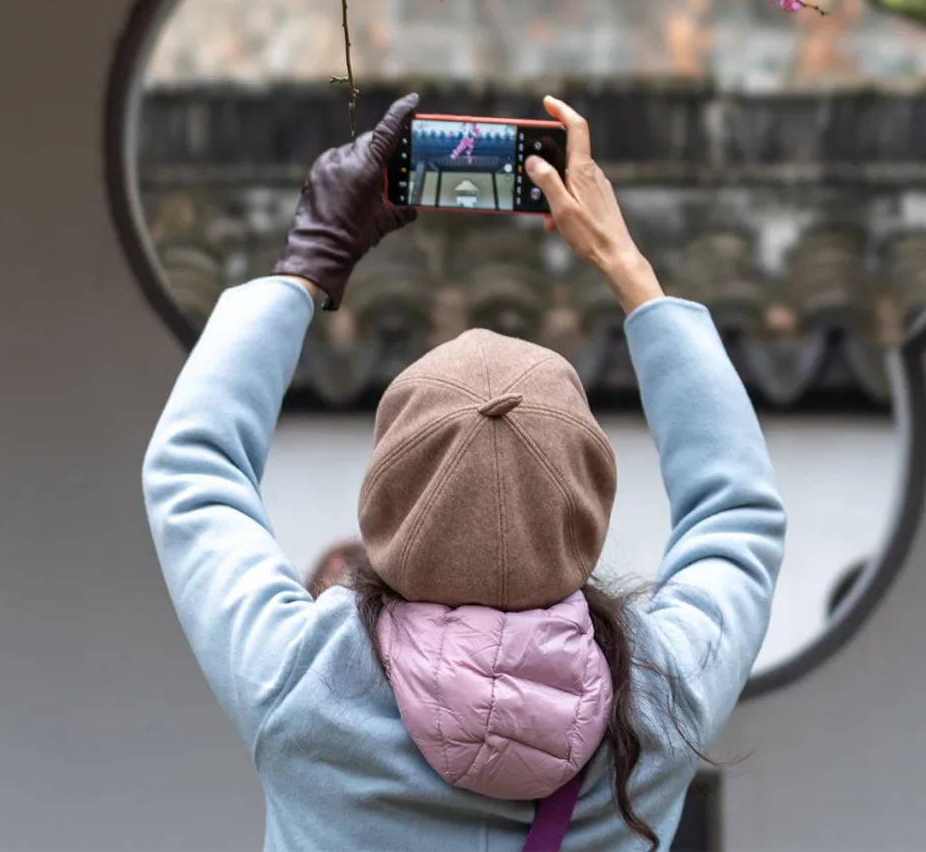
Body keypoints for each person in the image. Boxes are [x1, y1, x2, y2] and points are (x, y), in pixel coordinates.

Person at [142, 94, 786, 852]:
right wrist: (628, 267)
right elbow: (737, 511)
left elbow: (192, 466)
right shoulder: (658, 700)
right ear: (588, 501)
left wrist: (308, 262)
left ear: (386, 495)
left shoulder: (306, 682)